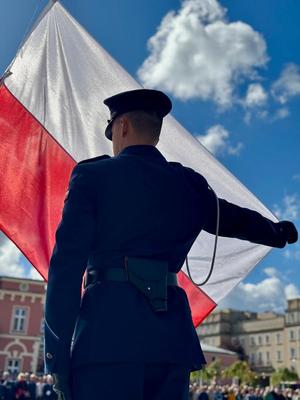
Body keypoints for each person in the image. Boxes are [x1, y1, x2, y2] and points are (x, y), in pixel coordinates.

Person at [44, 88, 298, 400]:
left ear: (122, 126)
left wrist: (56, 355)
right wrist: (276, 232)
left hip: (107, 339)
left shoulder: (93, 176)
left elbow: (65, 268)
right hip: (171, 342)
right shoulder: (187, 184)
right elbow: (232, 218)